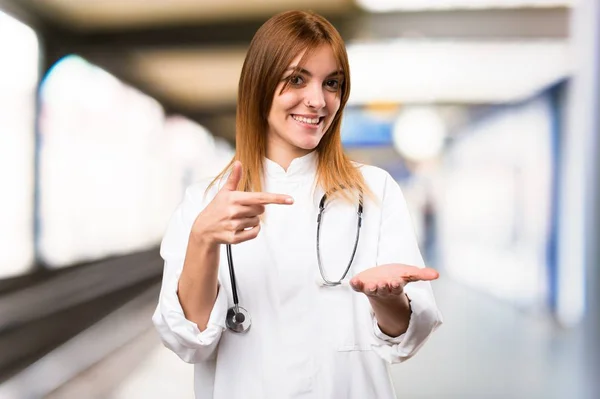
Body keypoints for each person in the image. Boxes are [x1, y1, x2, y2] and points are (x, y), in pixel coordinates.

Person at [152, 10, 443, 399]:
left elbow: (404, 338)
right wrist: (203, 240)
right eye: (296, 80)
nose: (318, 101)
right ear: (259, 84)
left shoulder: (375, 192)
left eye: (332, 83)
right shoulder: (205, 202)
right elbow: (189, 342)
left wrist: (387, 298)